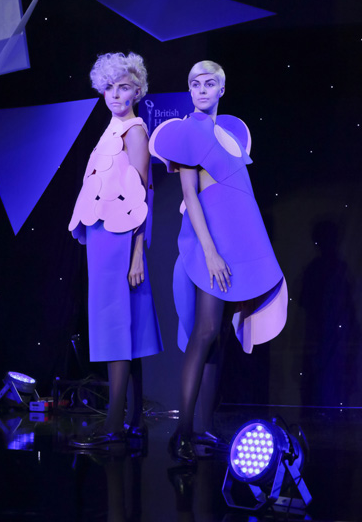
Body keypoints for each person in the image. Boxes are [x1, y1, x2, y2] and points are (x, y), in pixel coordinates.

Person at [149, 60, 287, 463]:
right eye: (195, 84)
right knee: (205, 331)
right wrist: (210, 252)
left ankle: (203, 429)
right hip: (210, 246)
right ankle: (182, 433)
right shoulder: (187, 132)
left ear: (221, 89)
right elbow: (190, 196)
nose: (201, 89)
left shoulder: (230, 134)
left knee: (217, 336)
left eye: (209, 83)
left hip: (236, 245)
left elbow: (241, 200)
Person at [69, 52, 163, 446]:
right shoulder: (111, 129)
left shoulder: (135, 131)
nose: (115, 94)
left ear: (137, 91)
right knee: (129, 322)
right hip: (102, 234)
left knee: (114, 323)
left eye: (123, 87)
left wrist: (138, 251)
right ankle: (134, 419)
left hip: (120, 239)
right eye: (109, 87)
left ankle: (113, 424)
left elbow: (142, 194)